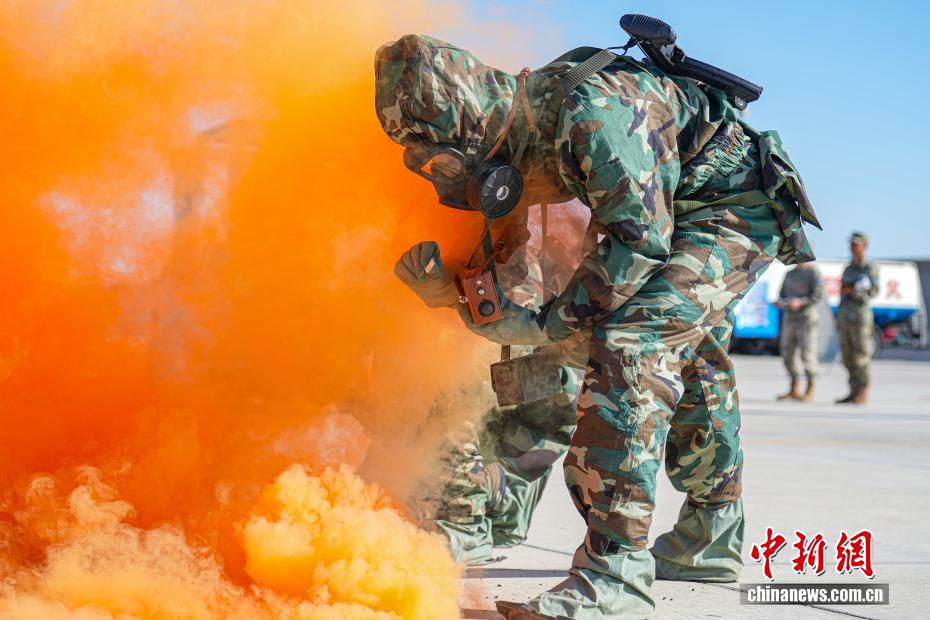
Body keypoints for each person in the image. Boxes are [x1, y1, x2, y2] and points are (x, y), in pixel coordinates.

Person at [376, 34, 820, 619]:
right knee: (692, 356)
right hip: (665, 205)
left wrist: (549, 326)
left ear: (473, 119)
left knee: (631, 345)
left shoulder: (592, 112)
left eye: (449, 162)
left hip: (729, 207)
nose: (445, 180)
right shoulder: (517, 139)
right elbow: (506, 263)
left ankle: (614, 577)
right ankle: (711, 534)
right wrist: (451, 295)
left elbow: (638, 243)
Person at [835, 232, 879, 405]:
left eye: (856, 244)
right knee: (847, 355)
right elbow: (842, 291)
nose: (853, 248)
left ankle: (863, 391)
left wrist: (852, 290)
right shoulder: (848, 268)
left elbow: (873, 290)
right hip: (846, 316)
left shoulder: (869, 268)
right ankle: (853, 390)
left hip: (860, 317)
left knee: (861, 355)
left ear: (864, 246)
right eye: (851, 244)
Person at [775, 263, 824, 401]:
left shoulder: (814, 273)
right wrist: (781, 302)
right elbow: (782, 294)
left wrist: (801, 302)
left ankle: (810, 387)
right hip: (790, 317)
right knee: (787, 352)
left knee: (807, 352)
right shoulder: (790, 273)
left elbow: (818, 295)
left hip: (807, 318)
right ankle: (794, 386)